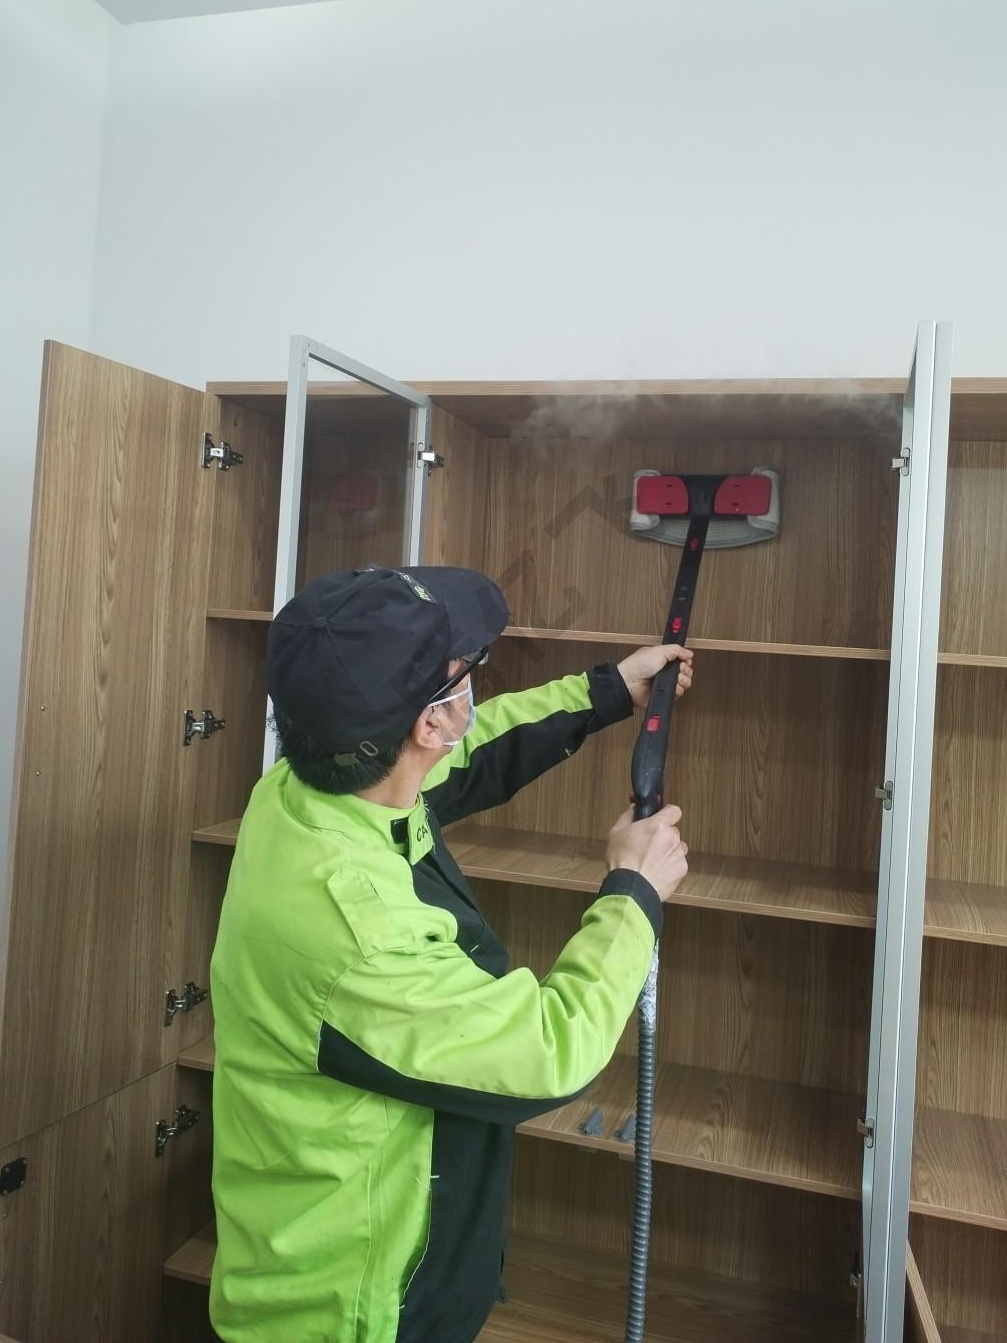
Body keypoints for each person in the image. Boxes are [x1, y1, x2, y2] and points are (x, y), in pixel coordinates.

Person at [209, 564, 691, 1343]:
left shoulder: (305, 792)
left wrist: (604, 692)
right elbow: (551, 1051)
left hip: (314, 1250)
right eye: (466, 672)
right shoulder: (360, 933)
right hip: (350, 1312)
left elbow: (463, 755)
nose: (473, 686)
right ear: (430, 721)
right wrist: (633, 893)